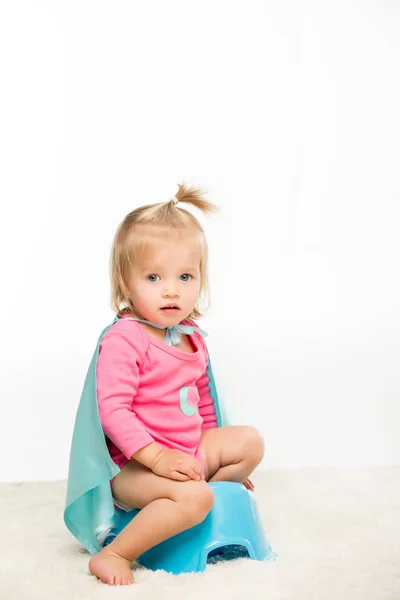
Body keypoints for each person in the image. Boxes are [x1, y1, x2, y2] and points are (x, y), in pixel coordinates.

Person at [88, 184, 265, 585]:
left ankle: (206, 500)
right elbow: (113, 411)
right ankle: (116, 553)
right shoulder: (125, 338)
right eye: (153, 277)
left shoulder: (190, 336)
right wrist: (156, 459)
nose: (171, 290)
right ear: (125, 282)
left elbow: (202, 405)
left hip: (183, 453)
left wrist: (215, 459)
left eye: (185, 276)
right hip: (132, 467)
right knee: (195, 496)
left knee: (249, 442)